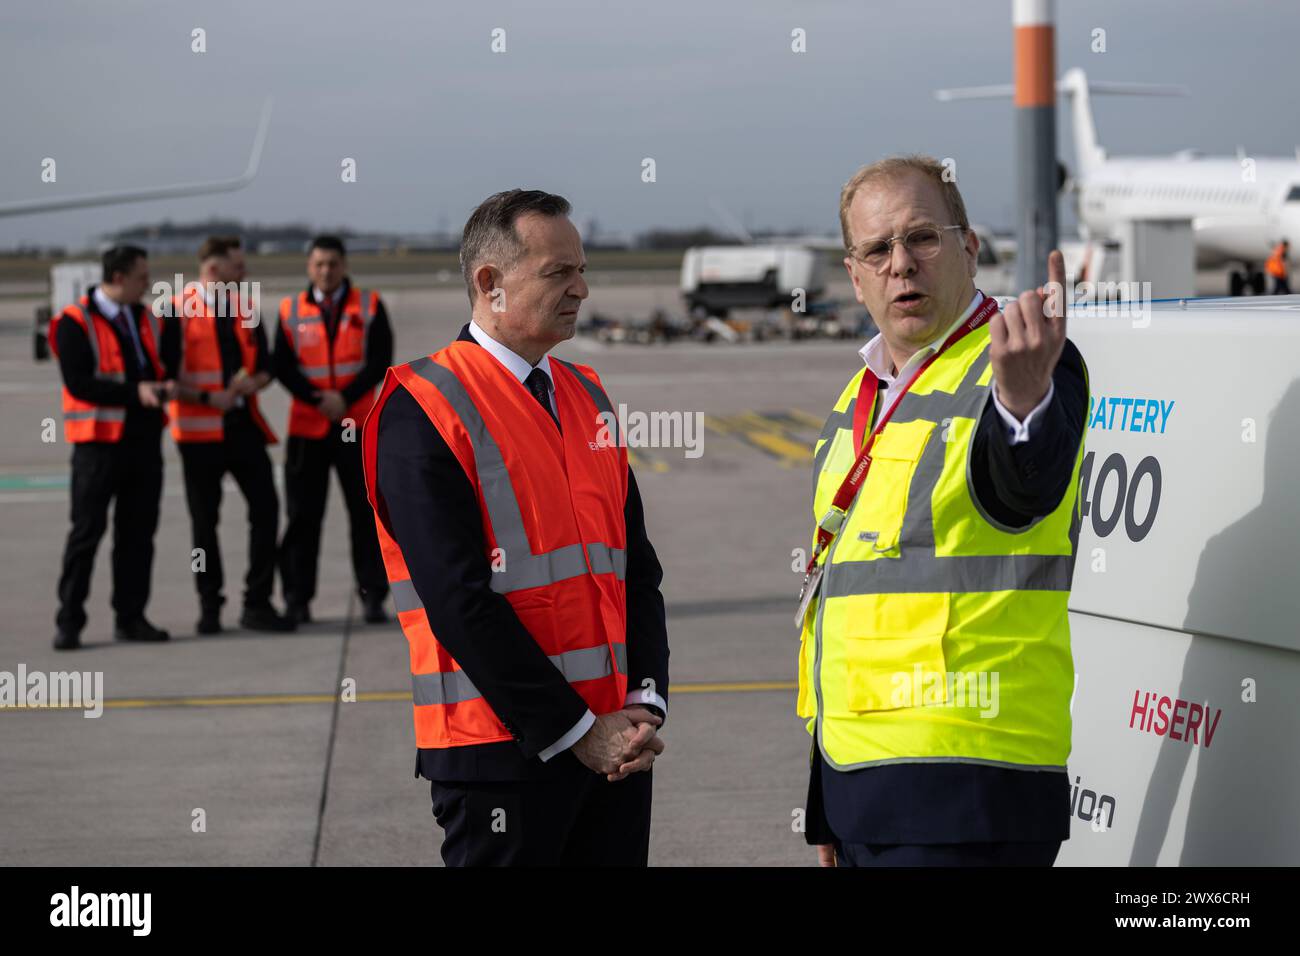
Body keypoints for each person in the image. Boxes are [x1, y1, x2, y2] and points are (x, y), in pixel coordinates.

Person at [362, 189, 670, 866]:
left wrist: (645, 701)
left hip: (615, 750)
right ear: (490, 284)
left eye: (581, 270)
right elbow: (458, 601)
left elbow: (635, 569)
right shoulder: (422, 407)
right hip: (499, 756)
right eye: (559, 272)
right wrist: (573, 730)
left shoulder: (585, 392)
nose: (582, 289)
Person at [797, 155, 1089, 867]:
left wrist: (1023, 404)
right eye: (877, 249)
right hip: (864, 782)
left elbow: (1023, 484)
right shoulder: (862, 396)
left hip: (967, 785)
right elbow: (841, 598)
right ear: (855, 274)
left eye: (922, 238)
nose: (902, 264)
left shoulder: (1021, 366)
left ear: (969, 249)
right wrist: (827, 800)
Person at [168, 237, 295, 634]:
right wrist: (210, 397)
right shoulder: (174, 310)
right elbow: (166, 379)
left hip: (243, 429)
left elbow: (266, 364)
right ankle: (210, 606)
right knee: (204, 524)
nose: (245, 273)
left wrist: (254, 381)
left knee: (267, 511)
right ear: (212, 268)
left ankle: (256, 602)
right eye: (237, 267)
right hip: (198, 434)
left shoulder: (244, 308)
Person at [49, 245, 173, 650]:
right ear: (118, 278)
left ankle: (131, 616)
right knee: (86, 534)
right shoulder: (73, 323)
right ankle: (69, 621)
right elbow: (79, 384)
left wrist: (164, 384)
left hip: (143, 444)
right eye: (142, 277)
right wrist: (135, 392)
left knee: (138, 535)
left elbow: (163, 364)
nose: (148, 284)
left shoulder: (149, 320)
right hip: (98, 447)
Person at [273, 236, 393, 625]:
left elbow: (379, 360)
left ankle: (372, 595)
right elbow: (283, 364)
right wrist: (316, 398)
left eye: (333, 264)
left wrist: (344, 397)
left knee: (365, 514)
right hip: (307, 427)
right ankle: (297, 598)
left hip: (355, 425)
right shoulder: (290, 309)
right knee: (302, 517)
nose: (326, 271)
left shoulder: (369, 305)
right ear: (310, 267)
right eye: (319, 264)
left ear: (343, 266)